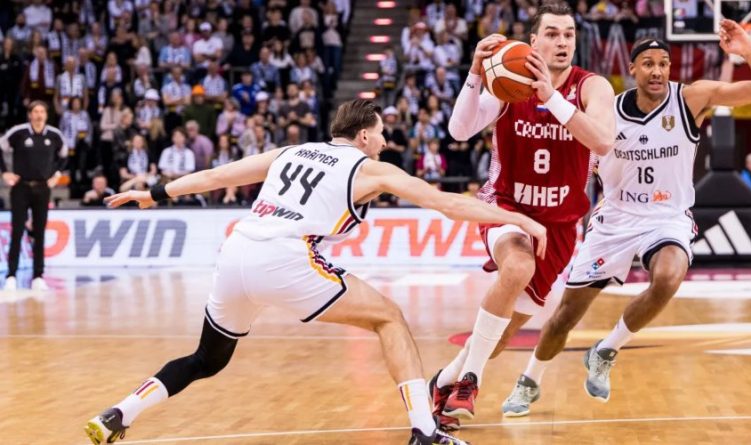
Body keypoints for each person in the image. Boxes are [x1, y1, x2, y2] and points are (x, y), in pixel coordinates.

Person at [84, 99, 548, 445]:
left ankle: (119, 413)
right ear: (364, 135)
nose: (385, 141)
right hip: (286, 257)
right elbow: (448, 203)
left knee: (207, 358)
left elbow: (215, 176)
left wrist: (155, 194)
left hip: (236, 250)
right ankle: (424, 432)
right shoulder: (370, 169)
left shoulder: (291, 151)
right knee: (390, 318)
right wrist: (520, 220)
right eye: (382, 133)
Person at [497, 19, 751, 417]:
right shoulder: (605, 109)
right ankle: (529, 381)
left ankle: (607, 350)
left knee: (668, 276)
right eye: (648, 63)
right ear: (632, 70)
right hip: (614, 219)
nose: (657, 71)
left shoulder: (691, 99)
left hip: (667, 217)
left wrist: (748, 52)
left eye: (664, 63)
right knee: (564, 318)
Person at [430, 2, 616, 430]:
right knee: (517, 265)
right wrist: (476, 73)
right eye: (552, 33)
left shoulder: (593, 87)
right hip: (506, 207)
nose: (562, 42)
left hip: (560, 225)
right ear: (532, 41)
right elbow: (459, 131)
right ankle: (471, 381)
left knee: (497, 337)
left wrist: (553, 99)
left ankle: (442, 382)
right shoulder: (509, 81)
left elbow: (603, 141)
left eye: (568, 34)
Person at [0, 101, 68, 291]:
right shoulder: (19, 132)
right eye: (35, 112)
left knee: (39, 232)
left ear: (46, 115)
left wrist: (56, 175)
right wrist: (4, 172)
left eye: (42, 112)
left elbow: (64, 155)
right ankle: (11, 275)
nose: (39, 115)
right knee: (17, 231)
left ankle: (38, 275)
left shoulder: (54, 135)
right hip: (21, 187)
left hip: (42, 188)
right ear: (29, 114)